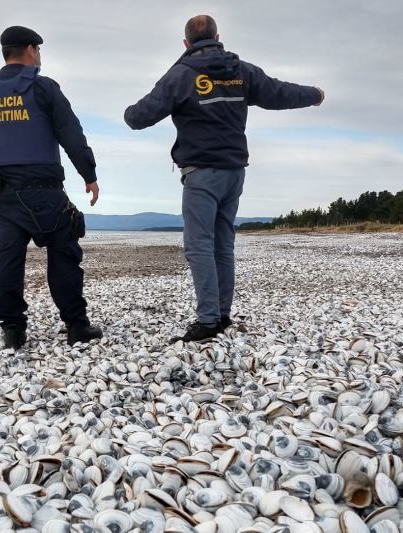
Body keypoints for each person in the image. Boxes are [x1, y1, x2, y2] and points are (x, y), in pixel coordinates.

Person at [124, 15, 324, 342]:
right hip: (234, 171)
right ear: (219, 37)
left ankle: (207, 320)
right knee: (222, 243)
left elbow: (138, 117)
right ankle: (221, 314)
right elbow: (280, 92)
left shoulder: (181, 75)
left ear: (186, 44)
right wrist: (314, 94)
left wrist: (129, 112)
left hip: (202, 172)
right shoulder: (240, 71)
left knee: (198, 245)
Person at [0, 25, 103, 349]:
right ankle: (76, 325)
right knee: (64, 252)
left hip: (2, 195)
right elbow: (72, 134)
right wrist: (89, 175)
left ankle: (13, 331)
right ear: (30, 50)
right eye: (38, 50)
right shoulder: (44, 88)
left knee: (8, 261)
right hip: (45, 192)